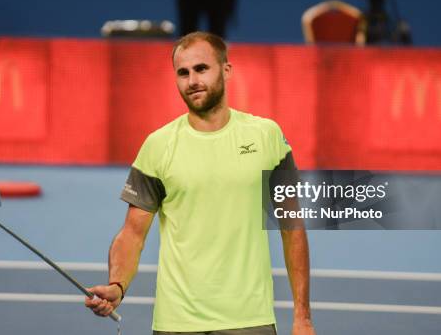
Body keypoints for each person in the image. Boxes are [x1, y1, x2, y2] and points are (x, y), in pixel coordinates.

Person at [85, 32, 316, 335]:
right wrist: (118, 284)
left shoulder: (267, 136)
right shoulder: (158, 146)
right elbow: (132, 233)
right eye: (183, 73)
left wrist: (302, 316)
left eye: (202, 69)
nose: (192, 80)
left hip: (249, 320)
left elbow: (292, 227)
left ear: (226, 70)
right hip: (176, 323)